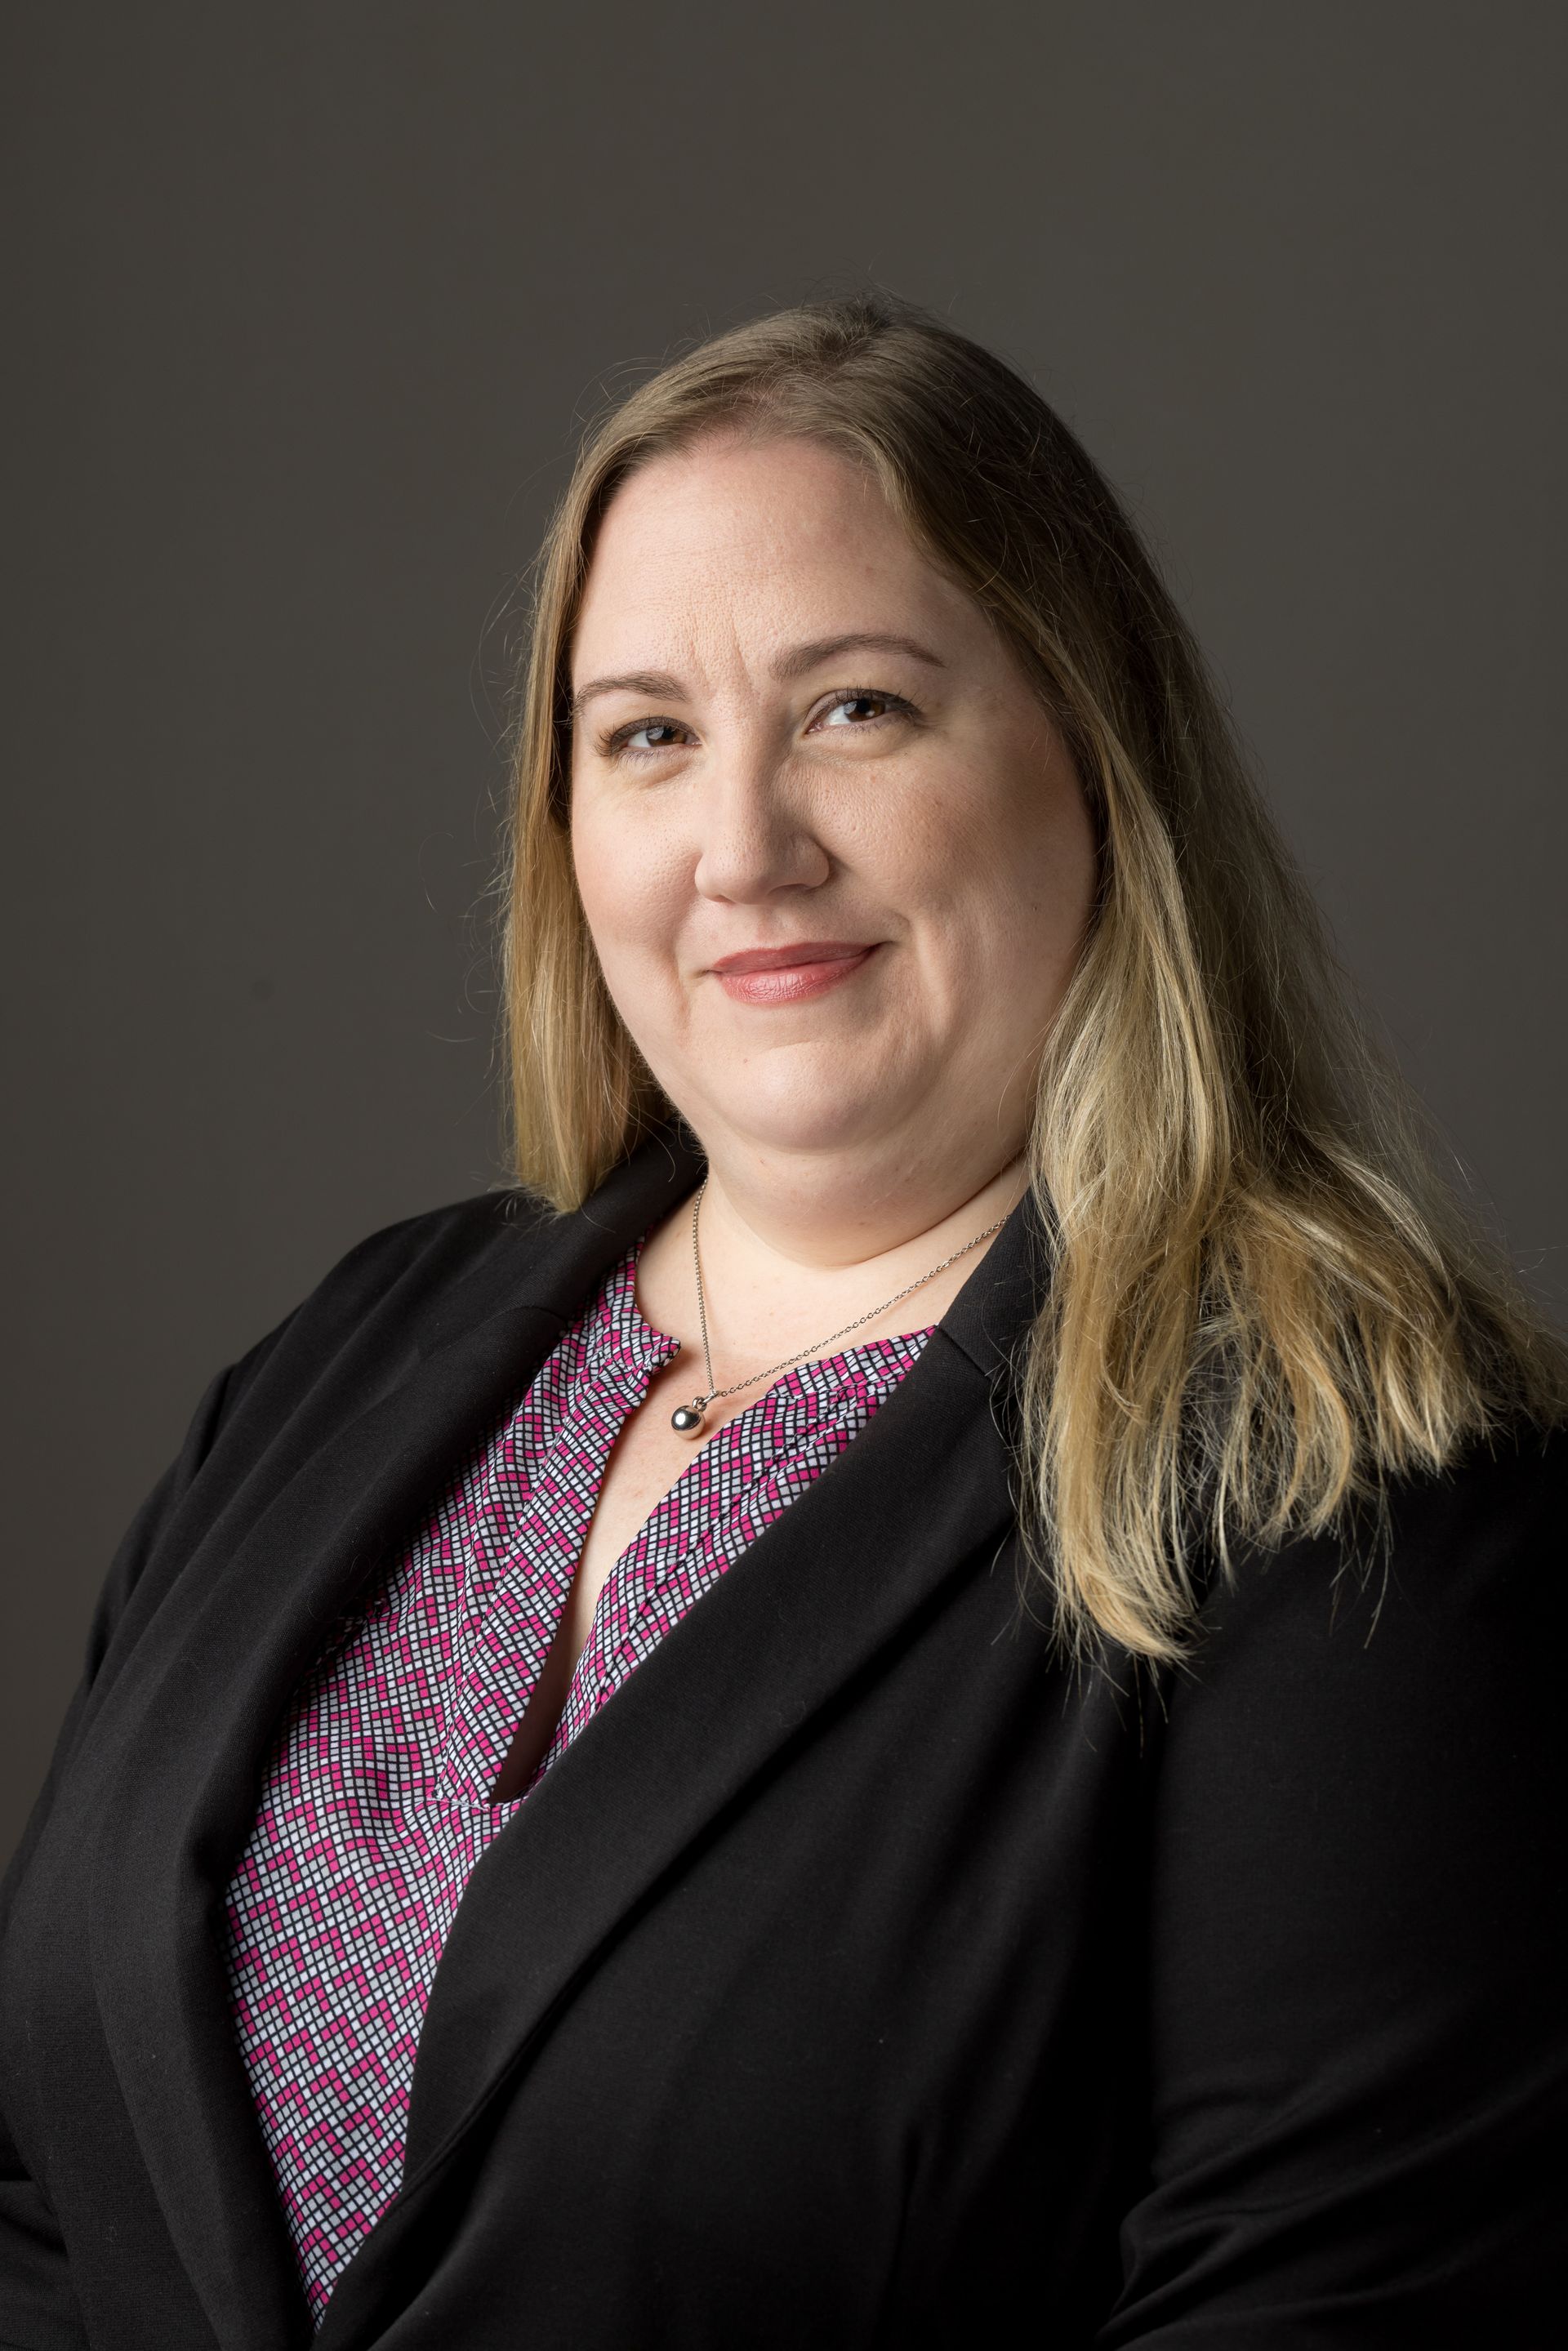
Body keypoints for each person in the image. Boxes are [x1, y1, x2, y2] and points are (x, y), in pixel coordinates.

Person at [2, 294, 1565, 2349]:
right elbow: (47, 2189)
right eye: (647, 735)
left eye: (856, 709)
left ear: (1095, 758)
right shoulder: (348, 1355)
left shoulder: (1338, 1470)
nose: (743, 847)